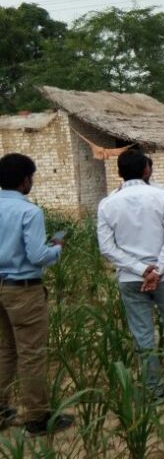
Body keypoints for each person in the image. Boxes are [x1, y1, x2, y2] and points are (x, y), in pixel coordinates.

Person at [97, 150, 164, 398]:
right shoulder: (162, 197)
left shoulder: (108, 204)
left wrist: (142, 270)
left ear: (119, 173)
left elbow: (107, 248)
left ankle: (154, 389)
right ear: (146, 170)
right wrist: (157, 270)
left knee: (142, 333)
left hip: (131, 279)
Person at [0, 154, 73, 436]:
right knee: (31, 354)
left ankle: (2, 409)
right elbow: (37, 255)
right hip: (22, 290)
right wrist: (56, 247)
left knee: (5, 350)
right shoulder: (29, 212)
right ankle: (37, 418)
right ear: (25, 180)